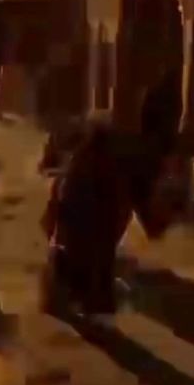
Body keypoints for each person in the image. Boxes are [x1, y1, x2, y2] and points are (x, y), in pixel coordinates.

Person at [41, 122, 134, 317]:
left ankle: (85, 298)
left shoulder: (77, 168)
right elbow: (124, 207)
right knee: (98, 267)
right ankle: (95, 299)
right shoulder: (112, 171)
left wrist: (54, 233)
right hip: (97, 233)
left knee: (84, 267)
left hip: (80, 233)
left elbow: (56, 206)